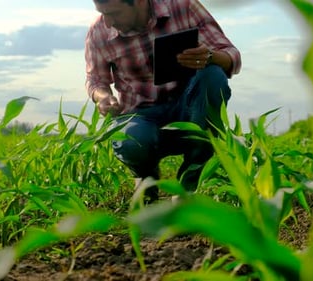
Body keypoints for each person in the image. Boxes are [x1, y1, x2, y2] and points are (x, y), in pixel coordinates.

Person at [85, 0, 241, 203]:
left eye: (114, 13)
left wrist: (210, 56)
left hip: (189, 110)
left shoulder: (183, 7)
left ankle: (189, 186)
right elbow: (96, 80)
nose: (108, 22)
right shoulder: (99, 32)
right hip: (141, 115)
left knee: (213, 76)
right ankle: (145, 178)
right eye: (102, 13)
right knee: (129, 140)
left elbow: (232, 56)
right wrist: (103, 97)